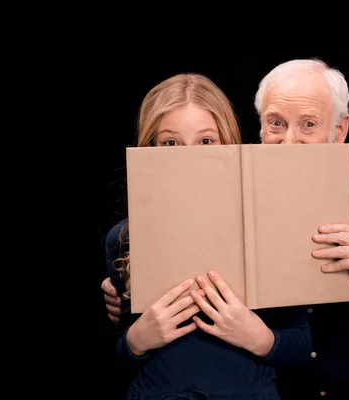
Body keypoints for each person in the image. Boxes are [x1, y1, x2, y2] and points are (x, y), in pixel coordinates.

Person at [103, 59, 349, 399]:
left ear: (340, 130)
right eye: (276, 123)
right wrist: (128, 302)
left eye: (308, 123)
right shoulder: (228, 203)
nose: (289, 140)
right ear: (259, 128)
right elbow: (127, 337)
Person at [103, 72, 312, 400]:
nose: (190, 156)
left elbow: (302, 346)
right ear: (150, 149)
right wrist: (136, 341)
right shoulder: (124, 238)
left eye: (205, 141)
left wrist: (258, 338)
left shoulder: (270, 231)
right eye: (171, 142)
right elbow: (119, 352)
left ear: (227, 144)